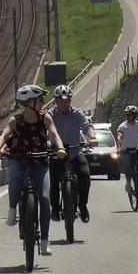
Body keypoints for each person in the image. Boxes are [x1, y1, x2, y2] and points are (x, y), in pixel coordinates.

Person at [0, 85, 65, 256]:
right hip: (20, 158)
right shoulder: (15, 120)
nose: (43, 103)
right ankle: (12, 209)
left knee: (45, 199)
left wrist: (60, 148)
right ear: (30, 102)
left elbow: (54, 134)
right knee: (15, 179)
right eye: (40, 100)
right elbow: (4, 135)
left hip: (40, 161)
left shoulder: (45, 118)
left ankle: (45, 241)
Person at [48, 85, 98, 223]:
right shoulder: (50, 114)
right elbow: (43, 127)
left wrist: (92, 138)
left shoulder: (77, 113)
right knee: (52, 180)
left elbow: (87, 126)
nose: (64, 103)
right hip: (56, 153)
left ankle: (82, 206)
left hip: (75, 152)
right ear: (56, 101)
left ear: (70, 101)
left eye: (67, 100)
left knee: (85, 175)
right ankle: (55, 209)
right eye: (61, 101)